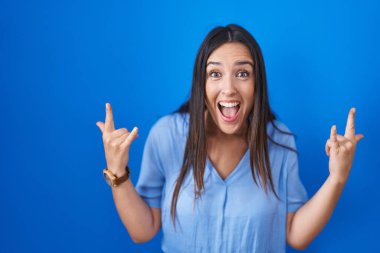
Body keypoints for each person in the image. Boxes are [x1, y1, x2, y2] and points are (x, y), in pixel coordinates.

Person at [96, 24, 364, 252]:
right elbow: (143, 231)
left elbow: (295, 235)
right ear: (201, 82)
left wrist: (337, 178)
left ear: (257, 82)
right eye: (215, 74)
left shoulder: (280, 142)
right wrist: (118, 172)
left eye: (242, 73)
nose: (228, 88)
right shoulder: (167, 135)